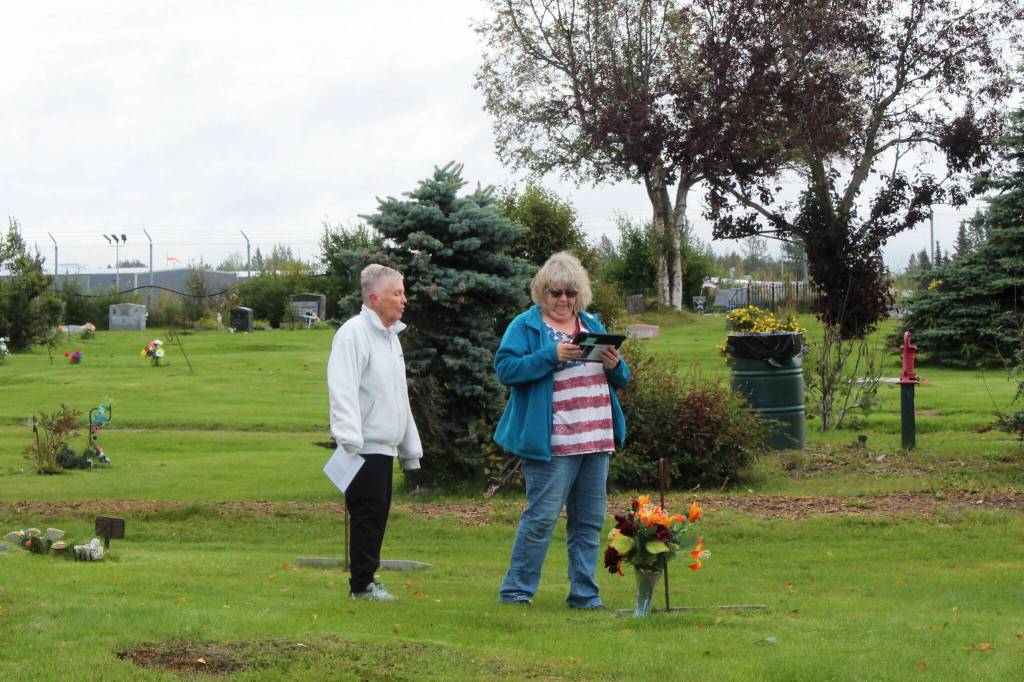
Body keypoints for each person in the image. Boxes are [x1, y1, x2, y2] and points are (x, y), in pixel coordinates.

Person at [494, 251, 630, 609]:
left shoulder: (592, 325)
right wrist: (551, 356)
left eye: (570, 293)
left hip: (595, 440)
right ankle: (516, 592)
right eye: (556, 293)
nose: (563, 300)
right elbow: (506, 369)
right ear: (543, 292)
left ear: (579, 295)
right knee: (540, 519)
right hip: (552, 443)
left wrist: (616, 365)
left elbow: (622, 379)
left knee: (588, 524)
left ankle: (585, 595)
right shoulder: (526, 326)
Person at [327, 264, 422, 601]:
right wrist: (349, 439)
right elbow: (343, 387)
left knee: (378, 515)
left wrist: (410, 446)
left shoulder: (390, 338)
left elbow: (399, 395)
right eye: (397, 293)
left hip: (385, 445)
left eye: (403, 292)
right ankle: (362, 585)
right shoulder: (353, 334)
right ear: (374, 297)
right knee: (366, 515)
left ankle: (367, 580)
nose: (404, 300)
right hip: (362, 445)